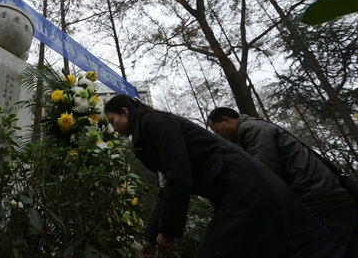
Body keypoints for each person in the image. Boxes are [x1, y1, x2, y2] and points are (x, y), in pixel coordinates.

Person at [104, 94, 327, 258]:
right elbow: (167, 186)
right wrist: (151, 236)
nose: (114, 129)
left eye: (113, 121)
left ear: (125, 112)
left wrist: (168, 231)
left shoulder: (155, 122)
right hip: (237, 193)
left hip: (244, 190)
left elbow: (179, 176)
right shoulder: (147, 135)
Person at [206, 107, 358, 258]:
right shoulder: (256, 126)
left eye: (218, 130)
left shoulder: (251, 129)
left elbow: (264, 174)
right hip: (327, 200)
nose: (220, 136)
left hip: (320, 204)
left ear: (226, 120)